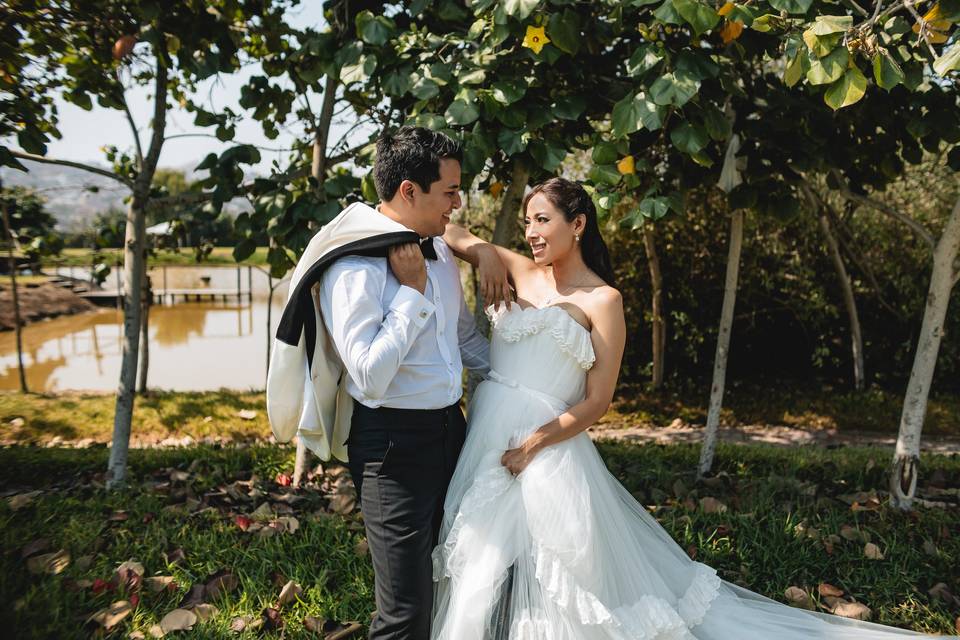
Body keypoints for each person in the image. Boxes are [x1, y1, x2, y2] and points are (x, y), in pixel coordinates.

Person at [432, 177, 950, 639]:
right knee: (476, 565)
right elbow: (447, 233)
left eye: (543, 220)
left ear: (579, 223)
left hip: (544, 448)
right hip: (487, 434)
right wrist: (486, 251)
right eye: (527, 222)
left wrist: (533, 445)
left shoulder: (603, 301)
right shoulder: (519, 269)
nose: (532, 233)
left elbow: (599, 401)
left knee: (561, 579)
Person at [315, 126, 498, 640]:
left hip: (452, 433)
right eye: (450, 191)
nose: (459, 203)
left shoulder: (438, 253)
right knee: (404, 611)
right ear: (409, 191)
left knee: (458, 581)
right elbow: (369, 377)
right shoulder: (355, 264)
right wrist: (411, 294)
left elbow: (463, 339)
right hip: (391, 448)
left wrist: (517, 381)